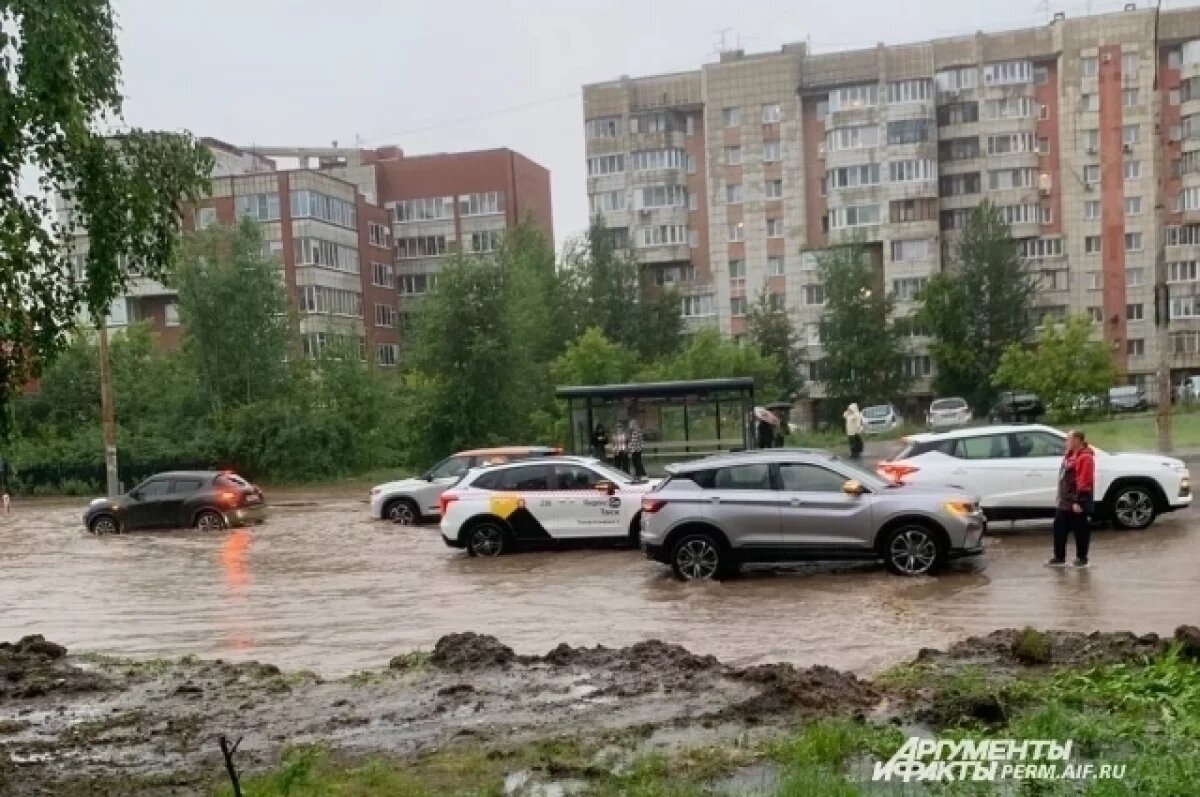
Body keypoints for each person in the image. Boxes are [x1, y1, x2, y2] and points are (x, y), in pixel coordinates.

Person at [1047, 430, 1096, 568]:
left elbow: (1084, 481)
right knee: (1059, 529)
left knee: (1080, 530)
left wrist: (1079, 501)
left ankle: (1082, 558)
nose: (1065, 442)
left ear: (1077, 440)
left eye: (1068, 439)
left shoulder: (1085, 458)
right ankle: (1059, 557)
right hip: (1064, 502)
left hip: (1077, 502)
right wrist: (1059, 496)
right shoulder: (1069, 456)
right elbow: (1063, 478)